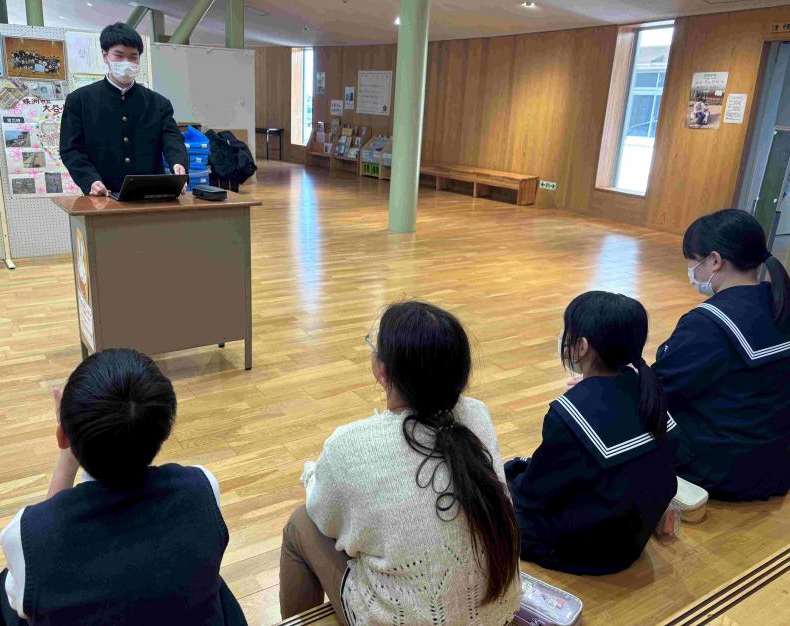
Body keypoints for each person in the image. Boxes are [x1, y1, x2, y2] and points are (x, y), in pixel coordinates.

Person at [279, 301, 522, 625]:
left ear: (382, 371)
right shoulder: (477, 414)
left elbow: (324, 512)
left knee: (299, 524)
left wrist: (312, 474)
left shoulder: (351, 446)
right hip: (499, 611)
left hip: (409, 618)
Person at [0, 349, 246, 626]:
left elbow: (32, 588)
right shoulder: (202, 487)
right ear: (164, 431)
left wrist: (68, 451)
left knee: (7, 587)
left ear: (62, 436)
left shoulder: (25, 537)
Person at [505, 291, 677, 575]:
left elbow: (533, 495)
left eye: (567, 331)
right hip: (635, 534)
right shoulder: (647, 389)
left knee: (502, 496)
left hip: (594, 550)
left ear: (582, 346)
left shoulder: (569, 414)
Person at [653, 208, 790, 501]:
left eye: (691, 261)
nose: (691, 271)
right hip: (776, 463)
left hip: (720, 472)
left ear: (714, 260)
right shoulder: (779, 302)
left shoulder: (708, 324)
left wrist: (613, 384)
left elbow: (659, 389)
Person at [59, 23, 188, 196]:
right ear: (105, 55)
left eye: (133, 57)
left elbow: (172, 139)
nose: (126, 63)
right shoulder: (79, 100)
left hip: (151, 194)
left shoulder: (158, 103)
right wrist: (89, 180)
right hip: (103, 194)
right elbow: (71, 149)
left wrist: (178, 162)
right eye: (119, 56)